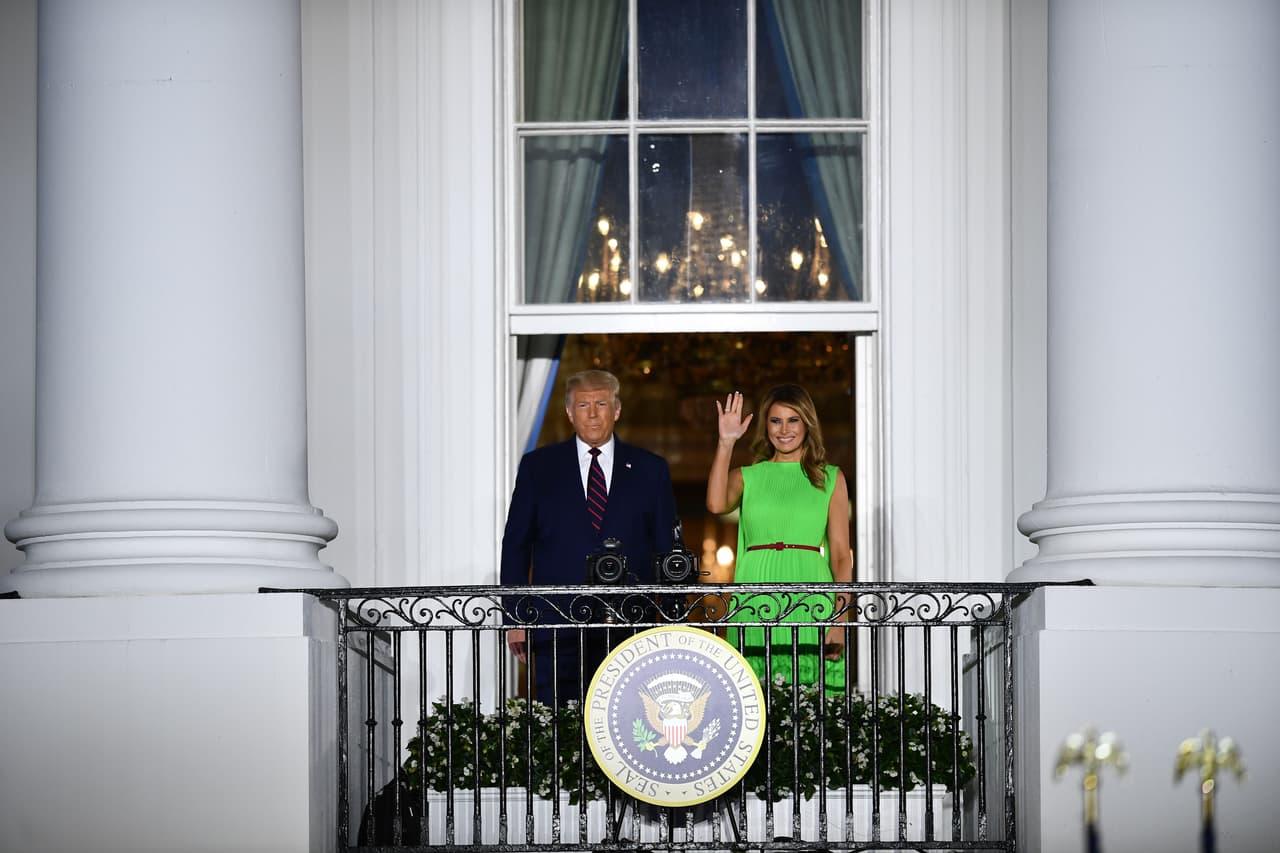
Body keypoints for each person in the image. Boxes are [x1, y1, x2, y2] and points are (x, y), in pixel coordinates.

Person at [501, 369, 678, 707]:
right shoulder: (538, 467)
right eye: (583, 405)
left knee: (628, 717)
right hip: (557, 622)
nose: (593, 414)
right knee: (559, 722)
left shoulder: (650, 469)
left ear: (617, 410)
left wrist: (670, 620)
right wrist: (516, 618)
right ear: (570, 412)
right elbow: (516, 546)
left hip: (630, 623)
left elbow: (666, 549)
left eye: (601, 404)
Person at [706, 384, 852, 691]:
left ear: (807, 424)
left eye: (793, 420)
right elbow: (716, 504)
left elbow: (841, 555)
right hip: (755, 594)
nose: (784, 430)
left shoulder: (830, 478)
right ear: (766, 426)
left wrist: (840, 620)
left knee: (816, 701)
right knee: (754, 698)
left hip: (812, 595)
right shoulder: (747, 476)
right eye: (775, 421)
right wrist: (726, 442)